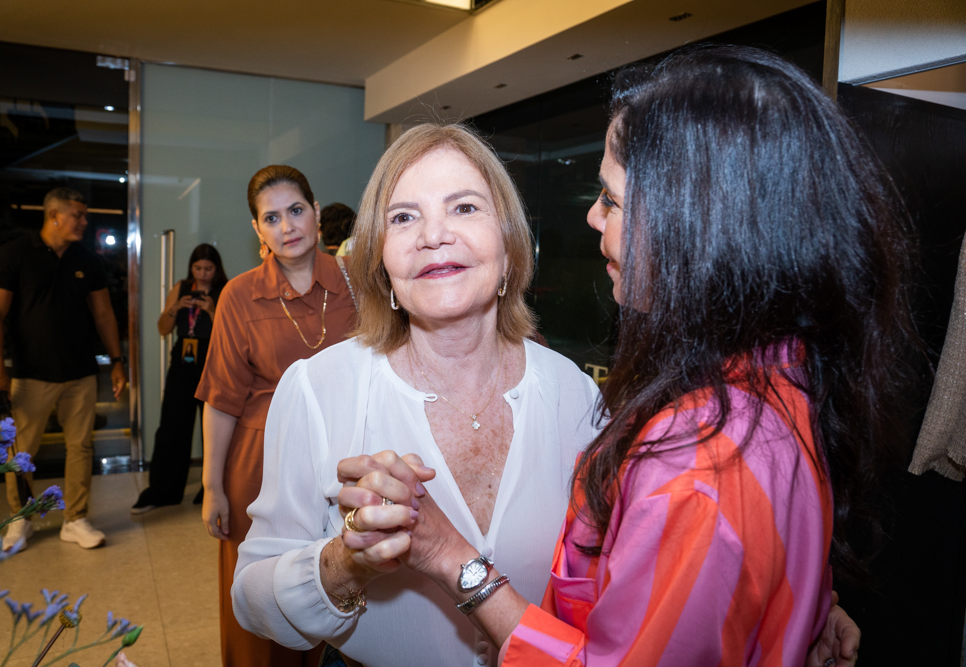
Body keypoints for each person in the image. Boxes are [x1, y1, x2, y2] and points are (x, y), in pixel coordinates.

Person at [336, 46, 918, 665]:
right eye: (404, 218)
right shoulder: (782, 370)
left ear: (695, 224)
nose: (592, 217)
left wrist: (451, 557)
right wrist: (797, 605)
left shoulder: (693, 456)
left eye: (611, 200)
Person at [232, 122, 862, 666]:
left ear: (510, 251)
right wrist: (345, 563)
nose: (433, 235)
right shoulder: (317, 389)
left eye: (464, 208)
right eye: (403, 217)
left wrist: (788, 600)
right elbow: (251, 596)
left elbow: (646, 565)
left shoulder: (575, 395)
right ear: (380, 263)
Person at [195, 165, 357, 666]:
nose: (287, 226)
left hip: (345, 465)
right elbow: (222, 398)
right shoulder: (239, 296)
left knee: (346, 597)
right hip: (260, 468)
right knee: (265, 605)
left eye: (296, 210)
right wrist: (212, 485)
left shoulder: (357, 282)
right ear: (257, 229)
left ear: (315, 213)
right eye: (271, 218)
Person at [0, 187, 128, 552]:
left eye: (84, 215)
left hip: (80, 372)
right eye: (77, 215)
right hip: (31, 373)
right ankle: (21, 521)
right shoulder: (14, 255)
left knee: (80, 447)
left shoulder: (87, 260)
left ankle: (75, 519)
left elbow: (103, 313)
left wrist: (117, 361)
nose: (84, 222)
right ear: (54, 216)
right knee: (21, 454)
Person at [131, 243, 227, 514]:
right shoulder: (181, 287)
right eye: (198, 268)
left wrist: (211, 311)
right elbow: (163, 329)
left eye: (208, 268)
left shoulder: (226, 289)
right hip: (183, 360)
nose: (203, 274)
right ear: (190, 267)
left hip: (213, 361)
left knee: (216, 427)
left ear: (217, 269)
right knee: (172, 426)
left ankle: (212, 489)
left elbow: (230, 334)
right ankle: (163, 491)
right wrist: (175, 307)